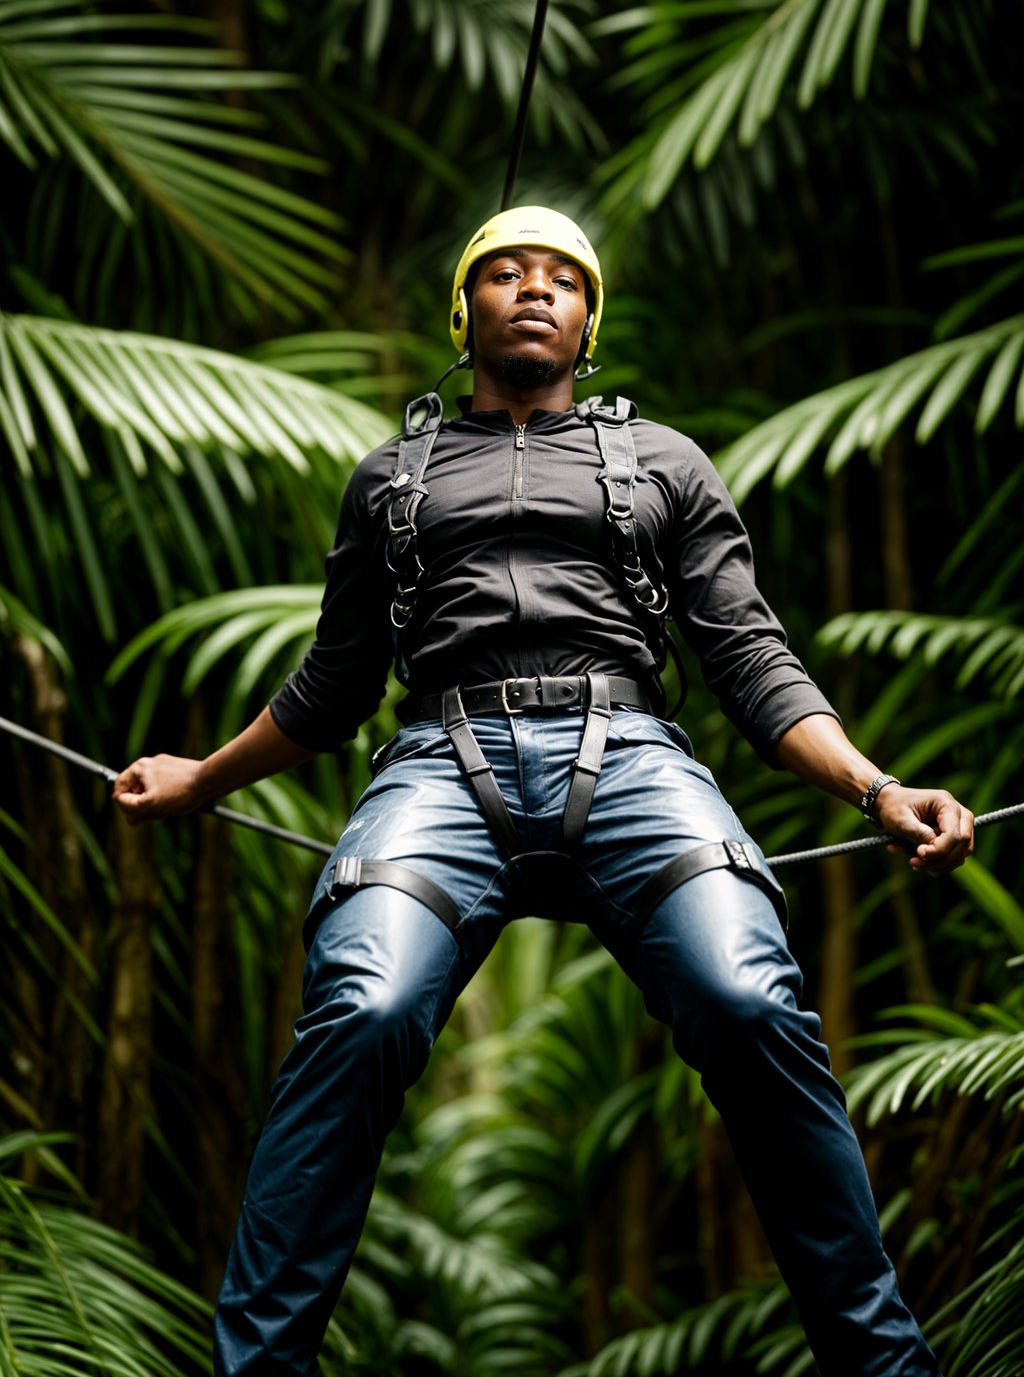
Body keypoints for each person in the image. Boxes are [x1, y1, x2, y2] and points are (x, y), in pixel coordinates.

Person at [114, 206, 974, 1377]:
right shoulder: (391, 478)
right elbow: (333, 684)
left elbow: (749, 661)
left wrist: (877, 791)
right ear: (461, 313)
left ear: (588, 323)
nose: (534, 290)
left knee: (746, 1001)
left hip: (630, 757)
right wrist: (200, 780)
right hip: (437, 765)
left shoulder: (664, 462)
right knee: (360, 1012)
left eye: (561, 279)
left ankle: (883, 1368)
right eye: (505, 274)